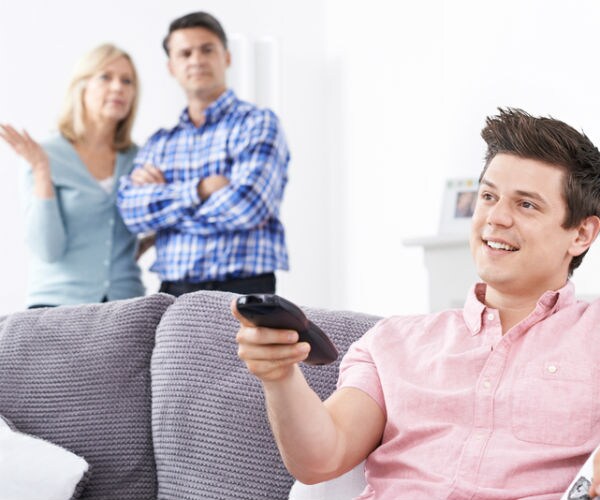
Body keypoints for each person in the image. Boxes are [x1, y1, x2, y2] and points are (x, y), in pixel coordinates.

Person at [234, 108, 600, 499]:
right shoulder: (391, 342)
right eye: (489, 196)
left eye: (526, 205)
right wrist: (280, 376)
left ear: (581, 234)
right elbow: (321, 460)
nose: (496, 218)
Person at [117, 11, 290, 297]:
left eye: (207, 50)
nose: (196, 60)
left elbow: (248, 206)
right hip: (173, 293)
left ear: (227, 57)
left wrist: (168, 211)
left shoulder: (258, 124)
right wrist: (203, 189)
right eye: (185, 53)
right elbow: (133, 213)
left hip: (245, 289)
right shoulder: (159, 143)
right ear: (171, 67)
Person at [0, 44, 145, 308]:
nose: (118, 87)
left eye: (127, 81)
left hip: (126, 307)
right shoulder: (44, 154)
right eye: (105, 77)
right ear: (82, 86)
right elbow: (47, 249)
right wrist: (41, 170)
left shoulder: (139, 158)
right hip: (57, 306)